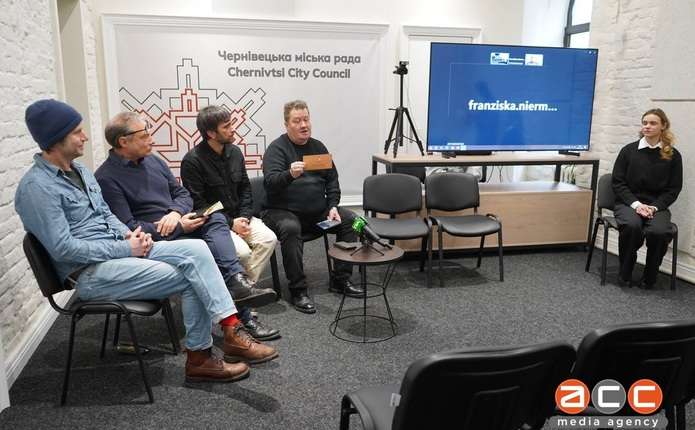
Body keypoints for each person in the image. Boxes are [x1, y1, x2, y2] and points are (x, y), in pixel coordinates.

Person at [15, 100, 279, 383]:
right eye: (77, 131)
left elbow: (106, 214)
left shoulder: (80, 172)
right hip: (89, 272)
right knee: (194, 276)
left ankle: (227, 333)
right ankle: (205, 353)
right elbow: (63, 249)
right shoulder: (37, 188)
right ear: (56, 138)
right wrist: (125, 246)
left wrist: (129, 235)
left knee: (199, 250)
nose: (85, 136)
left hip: (121, 252)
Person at [95, 111, 280, 342]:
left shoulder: (153, 161)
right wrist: (180, 226)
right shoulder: (106, 178)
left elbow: (182, 194)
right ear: (124, 141)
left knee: (215, 217)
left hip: (179, 223)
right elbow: (130, 229)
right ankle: (240, 318)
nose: (152, 139)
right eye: (145, 135)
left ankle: (236, 281)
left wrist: (175, 213)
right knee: (212, 255)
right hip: (155, 240)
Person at [262, 100, 363, 314]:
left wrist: (332, 206)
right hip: (284, 212)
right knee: (291, 229)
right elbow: (270, 183)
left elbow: (332, 180)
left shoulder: (318, 147)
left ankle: (341, 279)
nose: (303, 125)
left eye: (306, 119)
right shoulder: (276, 149)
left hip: (318, 214)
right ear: (287, 125)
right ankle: (298, 290)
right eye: (297, 121)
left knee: (353, 221)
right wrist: (289, 174)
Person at [181, 106, 277, 285]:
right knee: (243, 253)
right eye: (226, 126)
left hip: (241, 217)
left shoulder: (235, 152)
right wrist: (231, 223)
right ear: (211, 133)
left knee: (268, 239)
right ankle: (240, 290)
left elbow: (245, 189)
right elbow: (200, 204)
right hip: (215, 223)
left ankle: (243, 289)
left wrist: (244, 218)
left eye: (231, 124)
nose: (232, 129)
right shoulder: (192, 161)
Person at [612, 108, 683, 289]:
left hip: (656, 206)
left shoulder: (673, 155)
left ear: (663, 126)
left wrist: (653, 207)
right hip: (628, 203)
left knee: (659, 232)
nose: (647, 126)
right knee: (632, 226)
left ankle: (649, 278)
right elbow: (618, 183)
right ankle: (625, 274)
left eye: (653, 123)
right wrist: (637, 205)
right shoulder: (628, 151)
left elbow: (673, 189)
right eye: (645, 123)